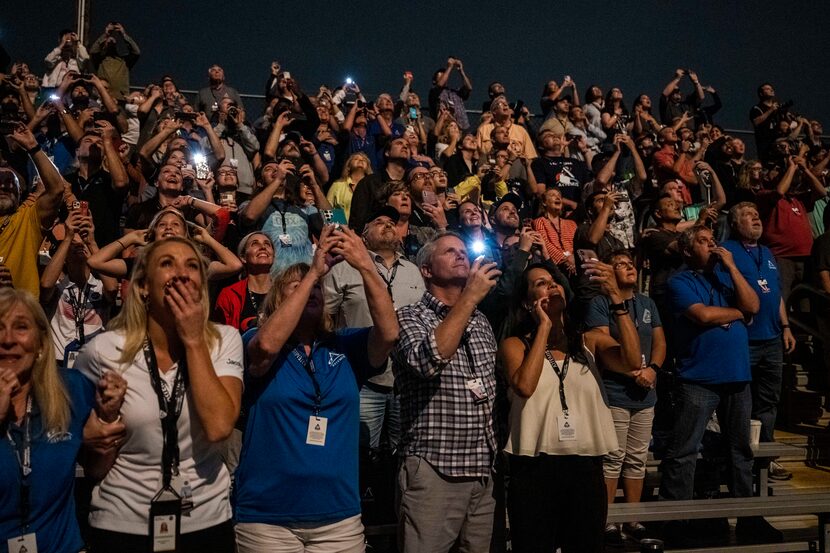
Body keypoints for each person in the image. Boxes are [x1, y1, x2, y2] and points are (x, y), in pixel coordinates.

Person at [235, 225, 398, 552]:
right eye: (296, 287)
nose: (311, 291)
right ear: (281, 298)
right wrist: (313, 273)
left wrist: (365, 264)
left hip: (338, 517)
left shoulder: (344, 346)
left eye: (318, 288)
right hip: (267, 518)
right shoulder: (254, 339)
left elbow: (390, 333)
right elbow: (267, 345)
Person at [77, 237, 244, 552]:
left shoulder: (224, 340)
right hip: (123, 522)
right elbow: (95, 468)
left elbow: (219, 427)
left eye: (192, 266)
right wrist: (104, 421)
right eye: (167, 264)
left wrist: (194, 340)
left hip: (205, 519)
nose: (182, 273)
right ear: (142, 286)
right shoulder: (102, 350)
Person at [499, 260, 639, 552]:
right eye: (540, 283)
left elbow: (631, 360)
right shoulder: (515, 344)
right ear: (527, 303)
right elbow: (525, 386)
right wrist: (544, 327)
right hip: (534, 469)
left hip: (584, 468)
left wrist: (616, 299)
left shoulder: (589, 341)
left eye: (554, 280)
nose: (551, 285)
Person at [659, 226, 782, 545]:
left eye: (714, 241)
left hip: (738, 376)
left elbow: (753, 305)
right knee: (684, 451)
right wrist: (738, 313)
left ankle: (748, 518)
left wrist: (731, 267)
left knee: (741, 451)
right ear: (687, 251)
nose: (712, 246)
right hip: (699, 378)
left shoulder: (726, 278)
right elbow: (701, 315)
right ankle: (676, 521)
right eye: (703, 242)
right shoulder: (679, 281)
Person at [393, 233, 501, 553]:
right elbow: (427, 362)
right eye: (450, 252)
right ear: (426, 270)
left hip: (483, 470)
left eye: (464, 252)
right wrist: (469, 298)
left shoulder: (481, 322)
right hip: (434, 469)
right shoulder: (409, 316)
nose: (461, 256)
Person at [0, 287, 125, 553]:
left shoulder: (72, 390)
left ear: (42, 344)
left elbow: (97, 469)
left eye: (21, 327)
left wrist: (107, 419)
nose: (8, 339)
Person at [324, 207, 425, 452]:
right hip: (362, 380)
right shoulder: (344, 267)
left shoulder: (414, 271)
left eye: (391, 221)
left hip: (407, 383)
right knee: (359, 453)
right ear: (364, 235)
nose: (388, 224)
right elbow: (324, 317)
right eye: (378, 221)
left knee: (402, 455)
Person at [584, 250, 664, 545]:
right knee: (612, 459)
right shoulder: (599, 303)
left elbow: (660, 341)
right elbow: (604, 347)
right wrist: (635, 372)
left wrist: (653, 369)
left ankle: (633, 518)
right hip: (616, 392)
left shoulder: (647, 303)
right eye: (620, 264)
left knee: (637, 459)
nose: (628, 267)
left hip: (646, 394)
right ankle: (606, 520)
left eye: (631, 263)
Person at [722, 202, 796, 480]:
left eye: (757, 214)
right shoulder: (727, 251)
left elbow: (775, 293)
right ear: (735, 223)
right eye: (748, 215)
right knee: (742, 402)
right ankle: (741, 461)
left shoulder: (767, 253)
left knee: (769, 402)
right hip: (744, 341)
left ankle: (766, 457)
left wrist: (786, 326)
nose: (755, 218)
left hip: (773, 339)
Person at [0, 125, 65, 299]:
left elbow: (57, 190)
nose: (4, 185)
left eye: (10, 183)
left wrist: (33, 148)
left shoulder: (27, 217)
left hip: (19, 315)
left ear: (20, 194)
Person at [213, 232, 275, 334]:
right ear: (243, 257)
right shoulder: (229, 295)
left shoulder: (284, 291)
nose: (263, 247)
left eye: (267, 244)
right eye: (255, 244)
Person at [88, 22, 141, 100]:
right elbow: (93, 51)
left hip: (121, 99)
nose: (110, 42)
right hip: (103, 99)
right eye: (107, 42)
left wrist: (123, 34)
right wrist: (106, 34)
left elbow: (136, 52)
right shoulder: (100, 61)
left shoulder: (124, 61)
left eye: (113, 42)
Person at [533, 188, 578, 277]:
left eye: (559, 196)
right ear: (544, 203)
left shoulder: (572, 224)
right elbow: (545, 243)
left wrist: (574, 258)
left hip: (576, 264)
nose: (557, 198)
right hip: (556, 267)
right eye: (552, 195)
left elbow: (578, 245)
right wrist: (564, 260)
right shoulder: (539, 221)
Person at [326, 152, 372, 222]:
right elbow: (327, 209)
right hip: (341, 229)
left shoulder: (372, 187)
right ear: (348, 166)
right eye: (356, 159)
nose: (360, 160)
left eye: (364, 160)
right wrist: (342, 228)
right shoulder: (338, 185)